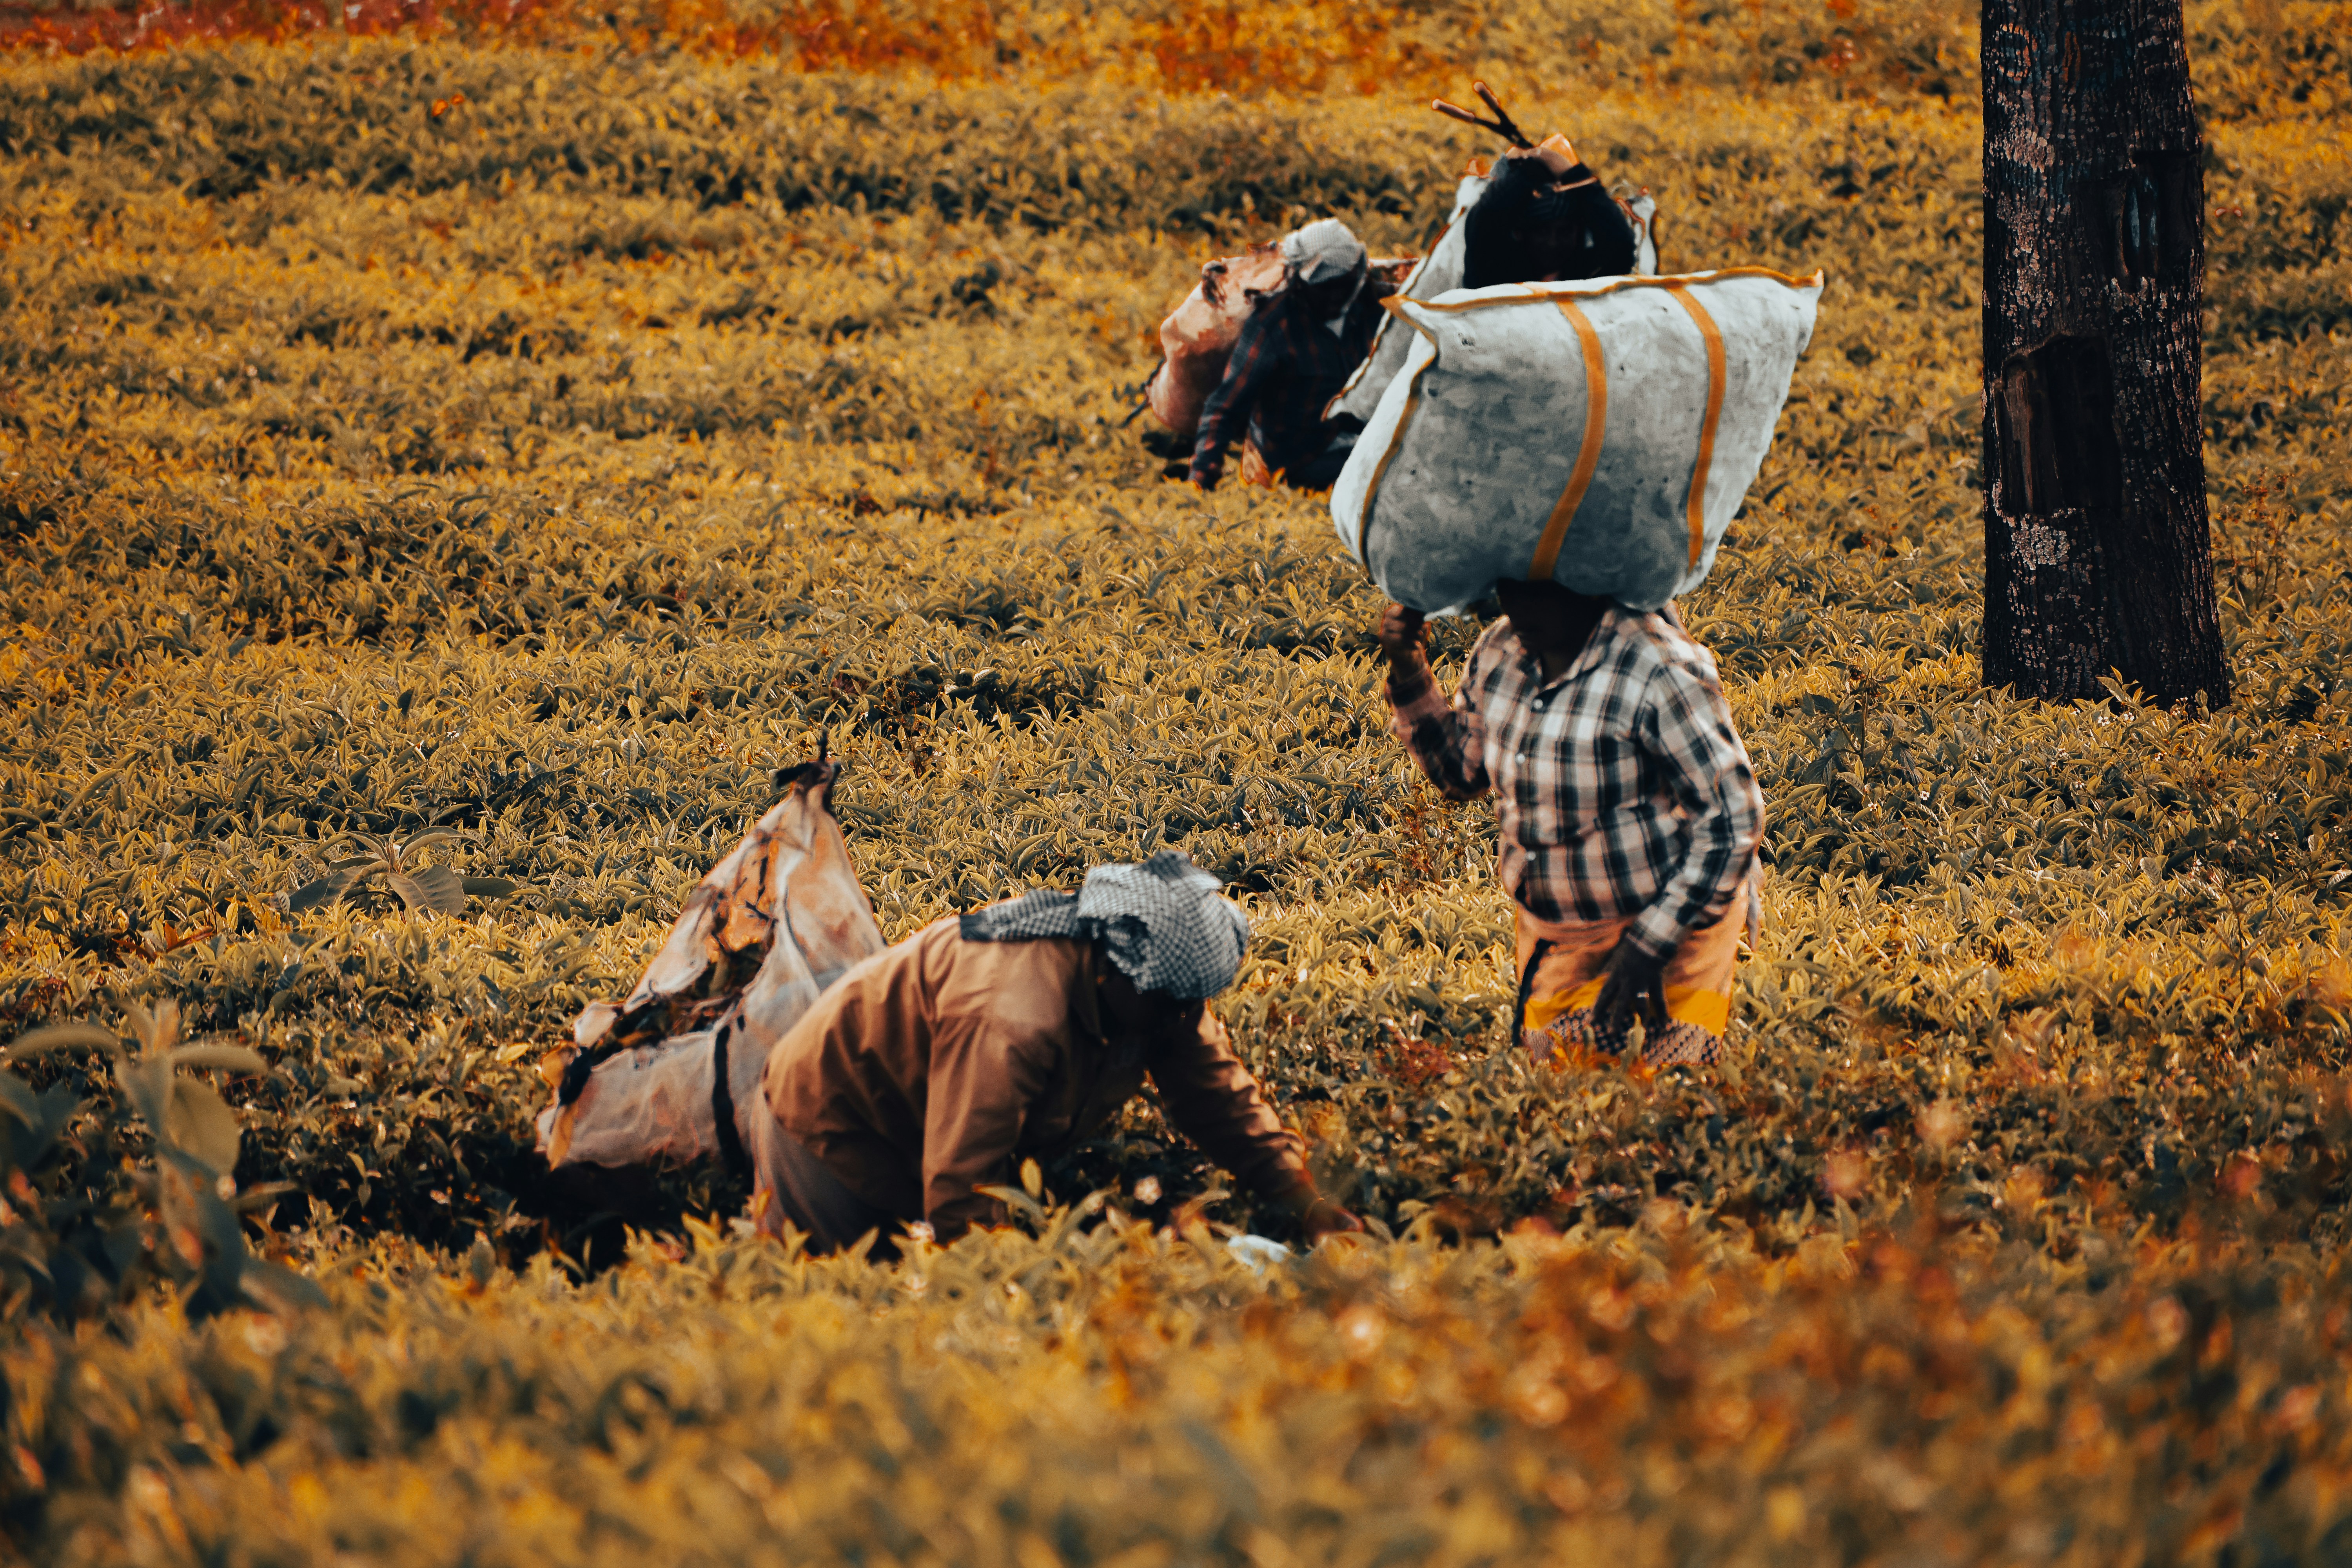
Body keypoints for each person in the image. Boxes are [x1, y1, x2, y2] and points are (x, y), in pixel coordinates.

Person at [758, 849, 1362, 1250]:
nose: (1183, 1019)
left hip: (927, 1130)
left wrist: (1307, 1201)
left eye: (1191, 1004)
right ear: (1112, 968)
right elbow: (964, 1184)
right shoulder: (1010, 1015)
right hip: (835, 1123)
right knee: (839, 1308)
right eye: (1172, 1003)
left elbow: (1218, 1099)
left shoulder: (1157, 998)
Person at [1376, 582, 1764, 1067]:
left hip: (1679, 927)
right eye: (1511, 588)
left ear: (1591, 579)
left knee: (1673, 1098)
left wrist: (1650, 942)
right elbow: (1462, 774)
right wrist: (1409, 670)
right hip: (1563, 934)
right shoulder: (1499, 652)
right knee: (1565, 1102)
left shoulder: (1654, 665)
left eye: (1545, 589)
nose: (1522, 607)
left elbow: (1732, 818)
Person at [1188, 218, 1384, 492]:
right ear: (1300, 282)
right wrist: (1201, 479)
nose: (1334, 297)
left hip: (1358, 437)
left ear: (1357, 274)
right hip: (1297, 456)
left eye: (1342, 285)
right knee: (1382, 478)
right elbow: (1225, 407)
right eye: (1323, 288)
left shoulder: (1373, 305)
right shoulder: (1274, 326)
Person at [1461, 135, 1639, 290]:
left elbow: (1622, 247)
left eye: (1565, 232)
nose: (1553, 243)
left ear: (1579, 232)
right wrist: (1528, 171)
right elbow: (1484, 222)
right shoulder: (1493, 273)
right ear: (1520, 233)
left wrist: (1573, 175)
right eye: (1542, 232)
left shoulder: (1587, 274)